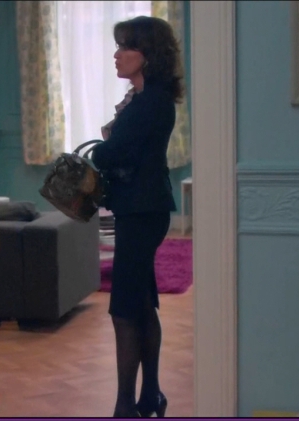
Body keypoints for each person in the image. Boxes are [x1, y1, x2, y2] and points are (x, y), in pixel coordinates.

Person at [91, 16, 183, 418]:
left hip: (142, 212)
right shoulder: (146, 97)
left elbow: (111, 152)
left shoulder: (150, 102)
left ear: (147, 54)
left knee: (124, 309)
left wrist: (102, 149)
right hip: (143, 209)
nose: (117, 55)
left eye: (125, 47)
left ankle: (125, 407)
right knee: (141, 303)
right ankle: (151, 396)